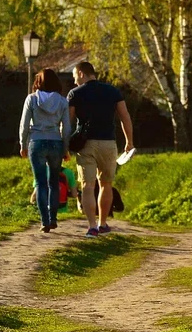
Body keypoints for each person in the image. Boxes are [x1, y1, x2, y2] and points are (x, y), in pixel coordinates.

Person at [67, 61, 134, 237]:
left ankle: (91, 227)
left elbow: (67, 123)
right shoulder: (112, 91)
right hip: (108, 143)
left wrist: (64, 145)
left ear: (81, 73)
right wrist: (129, 142)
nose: (75, 82)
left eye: (75, 77)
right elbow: (125, 118)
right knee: (106, 184)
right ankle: (103, 223)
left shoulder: (75, 94)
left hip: (85, 144)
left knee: (87, 185)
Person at [19, 68, 71, 233]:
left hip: (37, 142)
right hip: (56, 143)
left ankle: (44, 221)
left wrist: (23, 144)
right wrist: (66, 147)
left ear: (38, 82)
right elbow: (67, 127)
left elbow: (24, 124)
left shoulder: (32, 99)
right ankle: (53, 218)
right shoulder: (62, 102)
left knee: (41, 183)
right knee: (54, 182)